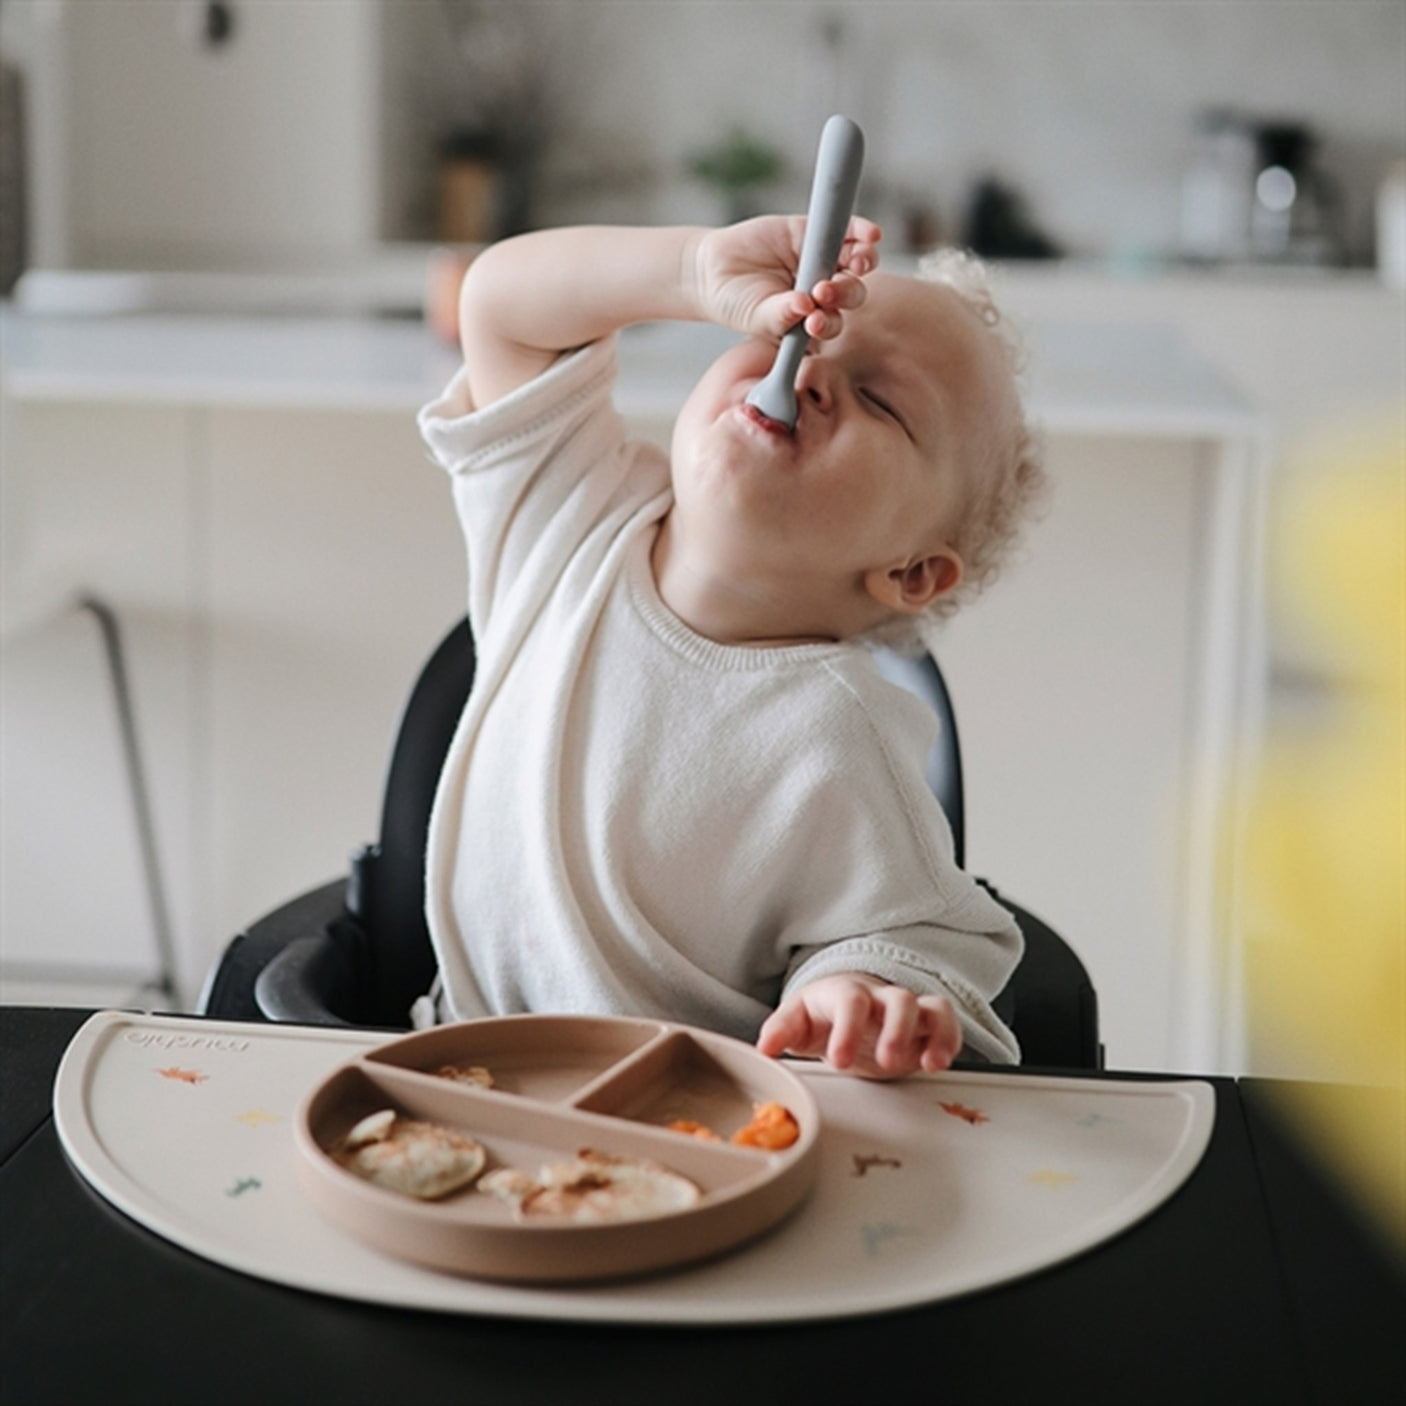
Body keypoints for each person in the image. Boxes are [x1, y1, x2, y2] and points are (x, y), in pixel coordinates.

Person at [415, 215, 1044, 1076]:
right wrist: (689, 268)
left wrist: (854, 990)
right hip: (446, 1070)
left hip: (680, 1134)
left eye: (884, 401)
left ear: (911, 572)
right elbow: (497, 303)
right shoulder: (570, 513)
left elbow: (921, 940)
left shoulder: (844, 737)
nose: (810, 370)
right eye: (797, 331)